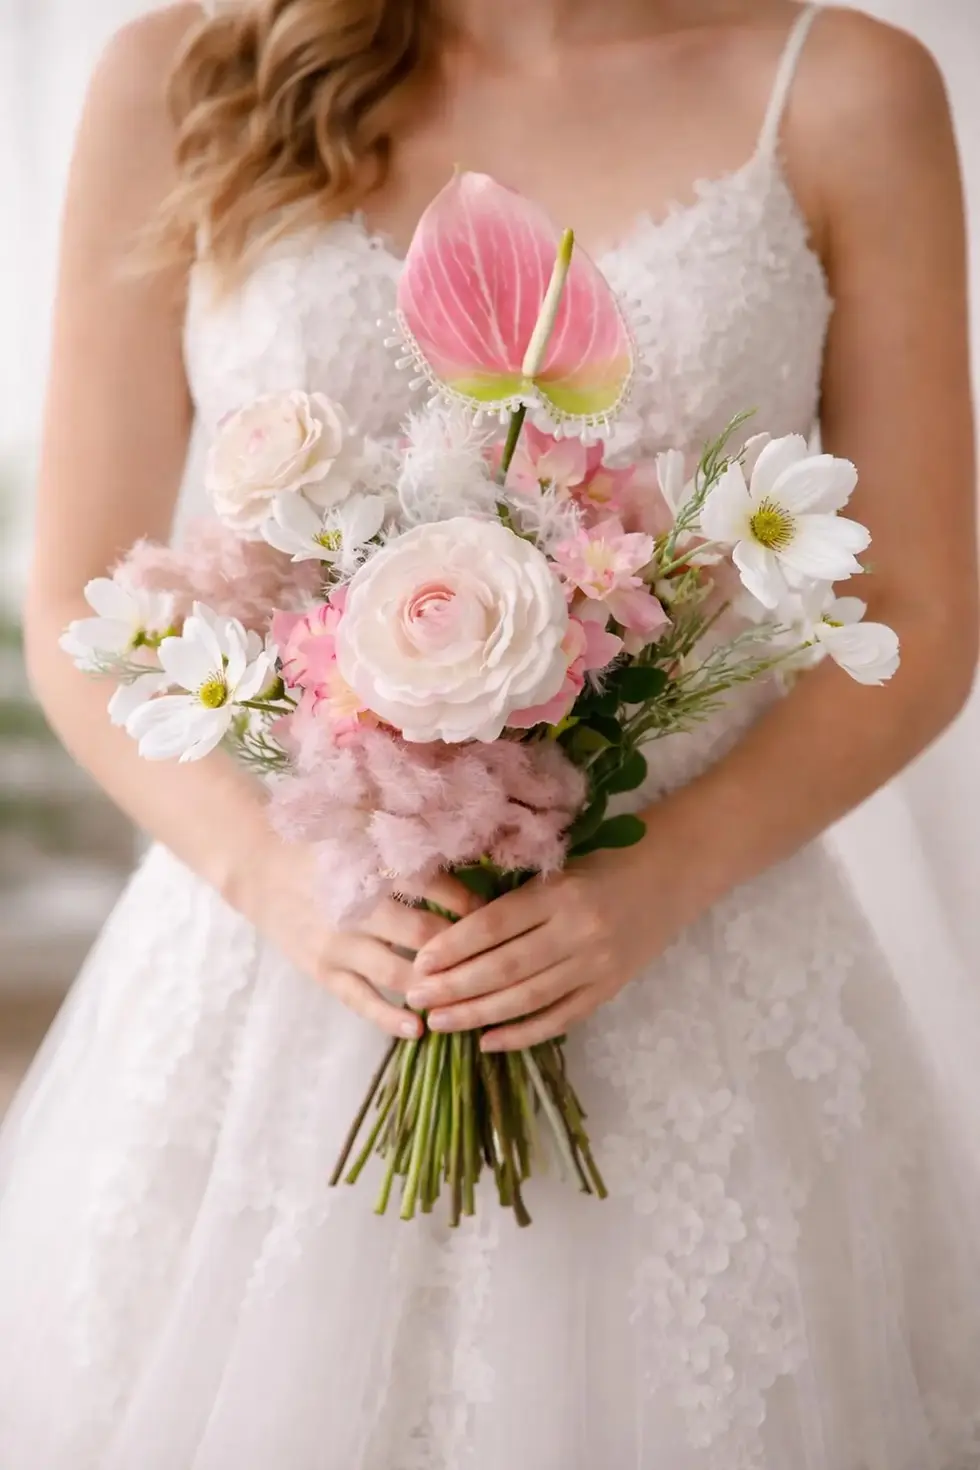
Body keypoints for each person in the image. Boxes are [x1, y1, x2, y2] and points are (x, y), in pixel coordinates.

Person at [1, 0, 978, 1464]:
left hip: (689, 950)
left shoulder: (846, 88)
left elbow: (920, 607)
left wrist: (662, 876)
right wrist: (281, 885)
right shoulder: (185, 70)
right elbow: (86, 606)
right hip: (286, 955)